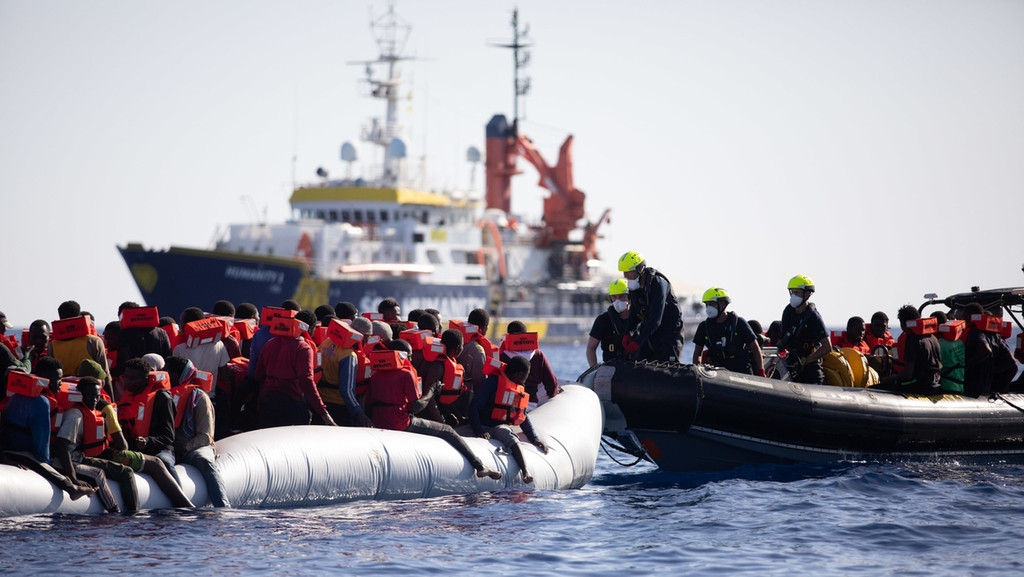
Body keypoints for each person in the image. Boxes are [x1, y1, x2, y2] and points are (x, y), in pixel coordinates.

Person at [363, 339, 502, 480]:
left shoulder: (375, 375)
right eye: (409, 356)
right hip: (400, 423)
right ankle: (479, 466)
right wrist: (431, 391)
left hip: (379, 422)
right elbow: (416, 407)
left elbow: (368, 406)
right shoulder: (406, 374)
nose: (411, 359)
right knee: (447, 430)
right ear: (402, 356)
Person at [1, 362, 96, 501]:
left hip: (7, 449)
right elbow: (41, 446)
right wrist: (47, 463)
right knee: (45, 466)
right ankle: (72, 488)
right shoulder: (42, 402)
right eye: (58, 379)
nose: (60, 383)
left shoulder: (15, 397)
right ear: (46, 379)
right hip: (22, 453)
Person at [52, 376, 129, 513]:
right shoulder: (75, 415)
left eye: (97, 396)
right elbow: (62, 446)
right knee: (98, 473)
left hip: (79, 457)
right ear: (80, 395)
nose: (94, 400)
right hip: (63, 462)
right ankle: (114, 511)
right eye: (90, 395)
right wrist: (73, 478)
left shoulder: (87, 412)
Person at [469, 356, 548, 484]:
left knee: (507, 433)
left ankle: (525, 471)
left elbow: (522, 415)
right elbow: (474, 407)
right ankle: (525, 471)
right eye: (525, 377)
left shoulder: (515, 388)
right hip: (483, 425)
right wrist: (478, 430)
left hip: (498, 426)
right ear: (519, 375)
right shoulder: (493, 382)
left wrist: (534, 439)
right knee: (506, 432)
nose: (525, 381)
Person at [164, 356, 231, 507]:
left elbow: (205, 436)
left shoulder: (200, 398)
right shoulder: (162, 396)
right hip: (171, 446)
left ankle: (223, 506)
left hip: (194, 446)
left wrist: (185, 448)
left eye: (167, 371)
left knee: (204, 461)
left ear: (175, 375)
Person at [254, 314, 338, 428]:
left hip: (267, 400)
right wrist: (323, 412)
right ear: (311, 329)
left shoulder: (270, 343)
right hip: (290, 403)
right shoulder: (303, 348)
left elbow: (258, 375)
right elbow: (306, 381)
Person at [118, 357, 183, 484]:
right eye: (126, 377)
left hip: (160, 450)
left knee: (164, 462)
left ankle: (181, 498)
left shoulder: (162, 398)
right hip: (133, 448)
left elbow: (168, 436)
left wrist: (147, 442)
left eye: (133, 378)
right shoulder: (128, 397)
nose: (127, 382)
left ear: (145, 379)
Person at [617, 251, 684, 362]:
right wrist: (627, 333)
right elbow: (634, 311)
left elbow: (656, 319)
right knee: (641, 362)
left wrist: (637, 342)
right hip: (650, 330)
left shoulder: (658, 284)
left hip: (669, 332)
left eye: (629, 272)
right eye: (625, 272)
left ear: (640, 269)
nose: (626, 275)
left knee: (668, 365)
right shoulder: (635, 287)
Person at [691, 287, 765, 376]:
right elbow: (697, 353)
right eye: (706, 305)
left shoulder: (739, 323)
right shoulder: (704, 327)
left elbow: (755, 348)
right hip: (717, 373)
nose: (708, 308)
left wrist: (761, 371)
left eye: (711, 304)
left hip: (741, 370)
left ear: (723, 304)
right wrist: (698, 372)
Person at [49, 300, 112, 398]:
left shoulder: (52, 345)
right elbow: (105, 375)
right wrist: (112, 401)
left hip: (64, 394)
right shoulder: (94, 341)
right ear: (79, 317)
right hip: (90, 395)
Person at [317, 318, 374, 427]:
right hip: (339, 408)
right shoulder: (349, 355)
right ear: (363, 337)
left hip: (321, 404)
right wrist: (359, 413)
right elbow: (346, 390)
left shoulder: (327, 342)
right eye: (368, 336)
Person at [873, 305, 942, 395]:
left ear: (903, 324)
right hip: (935, 384)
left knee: (873, 389)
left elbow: (907, 375)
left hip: (920, 386)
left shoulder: (913, 339)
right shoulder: (932, 337)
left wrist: (889, 378)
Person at [776, 274, 831, 385]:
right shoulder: (788, 313)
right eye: (791, 292)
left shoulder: (813, 317)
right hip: (790, 365)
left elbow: (827, 347)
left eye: (797, 293)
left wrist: (806, 361)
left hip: (810, 368)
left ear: (807, 294)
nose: (793, 296)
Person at [962, 303, 1017, 398]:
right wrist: (994, 373)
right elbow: (1011, 361)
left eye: (964, 316)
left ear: (970, 316)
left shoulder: (975, 333)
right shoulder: (995, 335)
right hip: (987, 386)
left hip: (974, 387)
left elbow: (986, 349)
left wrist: (967, 365)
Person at [499, 321, 559, 405]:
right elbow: (552, 384)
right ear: (525, 336)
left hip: (507, 402)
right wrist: (554, 395)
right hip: (531, 403)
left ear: (508, 337)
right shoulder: (538, 355)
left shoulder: (502, 356)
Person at [586, 279, 631, 367]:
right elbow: (591, 348)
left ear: (629, 297)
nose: (617, 300)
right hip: (610, 368)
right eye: (614, 297)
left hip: (635, 367)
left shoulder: (638, 318)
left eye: (621, 296)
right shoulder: (603, 320)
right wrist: (594, 369)